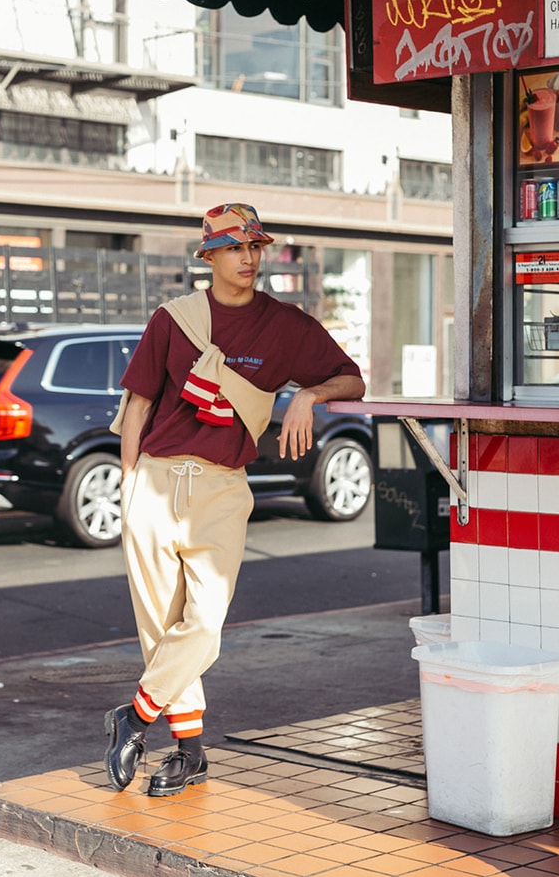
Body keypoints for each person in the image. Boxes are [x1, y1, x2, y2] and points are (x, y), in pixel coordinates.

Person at [104, 203, 366, 797]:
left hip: (222, 486)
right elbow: (138, 409)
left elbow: (353, 378)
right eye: (234, 248)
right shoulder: (173, 320)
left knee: (204, 625)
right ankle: (190, 753)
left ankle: (135, 717)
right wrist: (128, 487)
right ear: (210, 256)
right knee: (160, 626)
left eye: (254, 247)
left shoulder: (286, 325)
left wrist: (309, 396)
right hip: (154, 479)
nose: (248, 258)